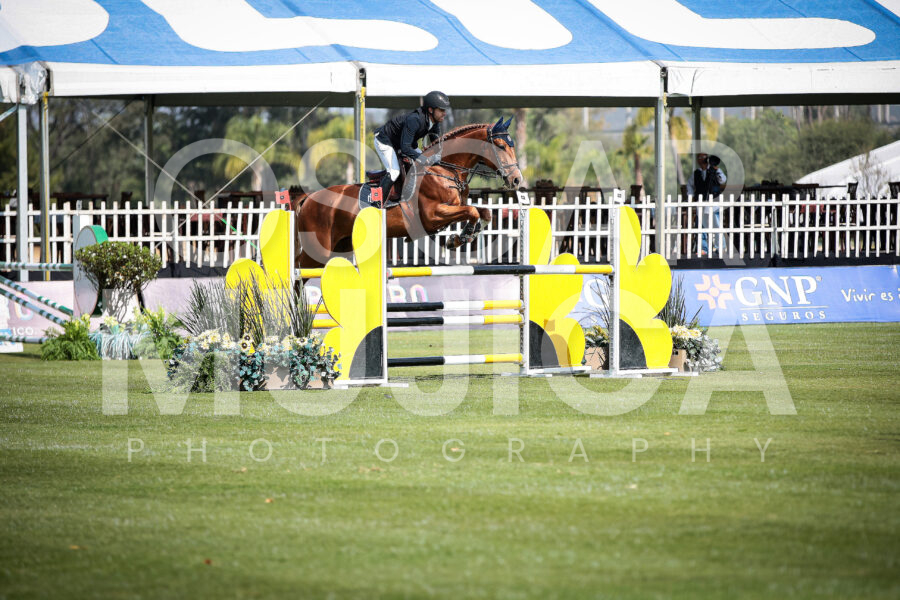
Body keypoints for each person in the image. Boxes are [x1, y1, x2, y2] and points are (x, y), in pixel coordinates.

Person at [372, 91, 449, 202]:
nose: (444, 113)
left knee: (425, 163)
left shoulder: (435, 122)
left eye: (444, 110)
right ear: (430, 110)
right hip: (385, 140)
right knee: (394, 172)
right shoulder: (415, 120)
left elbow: (436, 145)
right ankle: (377, 202)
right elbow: (405, 148)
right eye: (441, 110)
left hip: (403, 143)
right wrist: (425, 159)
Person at [687, 153, 726, 256]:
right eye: (700, 157)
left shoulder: (715, 170)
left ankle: (720, 247)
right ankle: (704, 248)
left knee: (717, 225)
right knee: (701, 225)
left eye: (704, 157)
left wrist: (716, 169)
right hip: (701, 202)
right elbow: (689, 185)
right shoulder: (696, 173)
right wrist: (691, 196)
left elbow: (723, 180)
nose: (702, 160)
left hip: (714, 202)